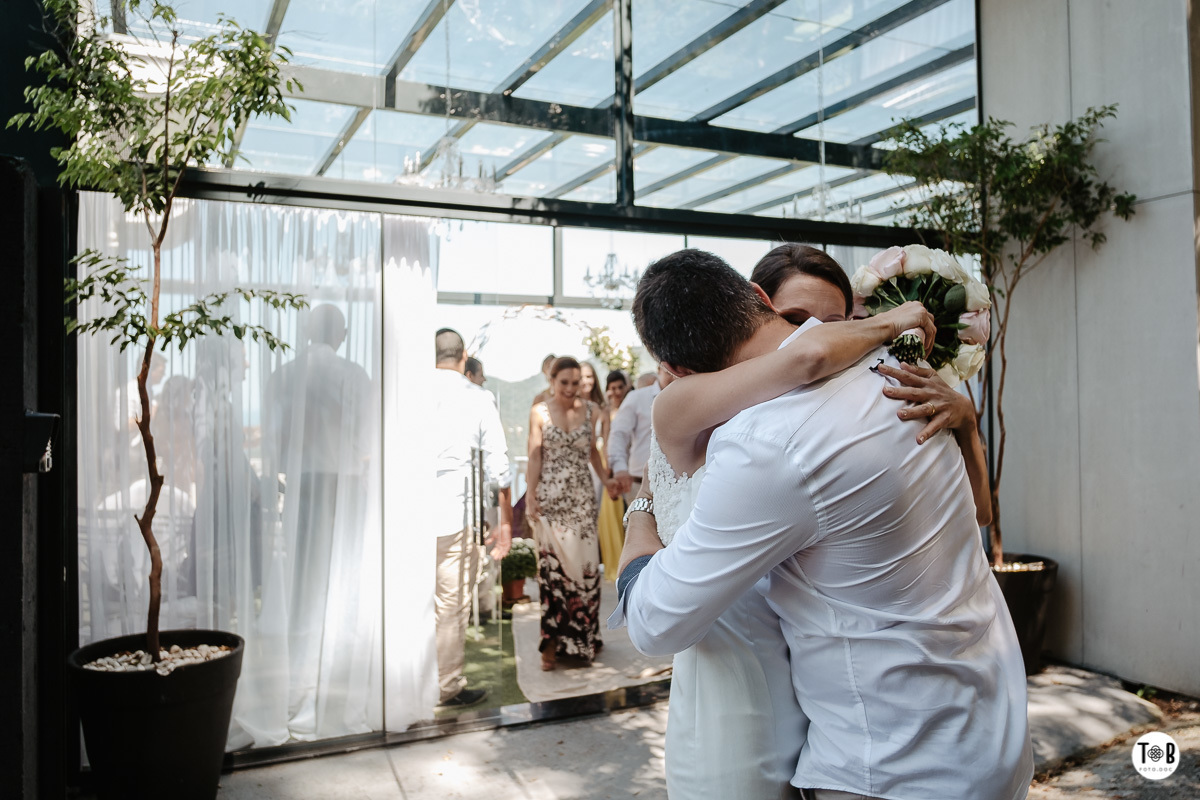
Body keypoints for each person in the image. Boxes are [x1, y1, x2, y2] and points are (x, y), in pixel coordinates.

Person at [612, 250, 1032, 800]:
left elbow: (654, 622)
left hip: (896, 762)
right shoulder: (897, 365)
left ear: (678, 371)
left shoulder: (766, 443)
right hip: (990, 728)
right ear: (760, 297)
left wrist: (639, 516)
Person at [264, 305, 372, 730]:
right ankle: (332, 679)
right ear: (341, 334)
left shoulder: (283, 376)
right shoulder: (354, 375)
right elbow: (367, 439)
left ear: (308, 331)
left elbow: (274, 440)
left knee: (303, 583)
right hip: (344, 485)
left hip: (302, 486)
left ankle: (300, 680)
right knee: (342, 580)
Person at [431, 328, 513, 708]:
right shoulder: (477, 396)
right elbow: (498, 465)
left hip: (407, 512)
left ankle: (405, 681)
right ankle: (445, 685)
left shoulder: (407, 390)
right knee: (451, 603)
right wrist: (504, 522)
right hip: (453, 510)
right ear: (463, 357)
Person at [525, 357, 611, 670]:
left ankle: (584, 639)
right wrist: (531, 495)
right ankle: (550, 644)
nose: (571, 388)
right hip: (550, 499)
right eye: (564, 382)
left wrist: (607, 482)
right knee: (552, 572)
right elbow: (535, 456)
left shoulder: (593, 410)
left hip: (582, 500)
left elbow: (593, 453)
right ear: (552, 381)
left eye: (576, 383)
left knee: (584, 570)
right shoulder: (539, 412)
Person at [607, 363, 674, 505]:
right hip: (640, 484)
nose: (675, 374)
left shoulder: (689, 395)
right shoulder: (637, 397)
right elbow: (619, 433)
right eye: (670, 370)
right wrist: (619, 468)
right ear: (659, 369)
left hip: (680, 485)